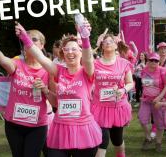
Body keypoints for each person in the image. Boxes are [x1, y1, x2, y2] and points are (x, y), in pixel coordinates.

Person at [14, 18, 102, 157]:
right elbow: (41, 58)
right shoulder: (58, 70)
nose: (70, 52)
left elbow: (88, 58)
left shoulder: (87, 71)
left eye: (74, 49)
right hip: (61, 129)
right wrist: (25, 37)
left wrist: (85, 38)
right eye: (66, 49)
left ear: (80, 52)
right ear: (62, 53)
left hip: (83, 131)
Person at [0, 29, 54, 157]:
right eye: (26, 39)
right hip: (13, 125)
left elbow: (55, 101)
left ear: (42, 45)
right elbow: (2, 59)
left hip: (37, 126)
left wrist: (45, 90)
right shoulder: (17, 63)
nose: (29, 42)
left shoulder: (49, 68)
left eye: (34, 39)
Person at [92, 34, 134, 157]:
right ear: (101, 46)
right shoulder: (94, 63)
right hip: (100, 108)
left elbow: (130, 83)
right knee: (102, 141)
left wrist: (123, 90)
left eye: (111, 41)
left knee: (117, 140)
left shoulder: (123, 63)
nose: (108, 43)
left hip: (117, 107)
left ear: (116, 45)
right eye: (105, 41)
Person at [138, 53, 166, 152]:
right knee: (142, 119)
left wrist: (159, 98)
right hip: (146, 100)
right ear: (148, 61)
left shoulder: (162, 71)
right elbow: (144, 85)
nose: (154, 62)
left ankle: (158, 142)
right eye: (152, 60)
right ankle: (148, 138)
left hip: (158, 101)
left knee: (160, 123)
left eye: (156, 61)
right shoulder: (144, 70)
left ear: (159, 62)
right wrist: (143, 95)